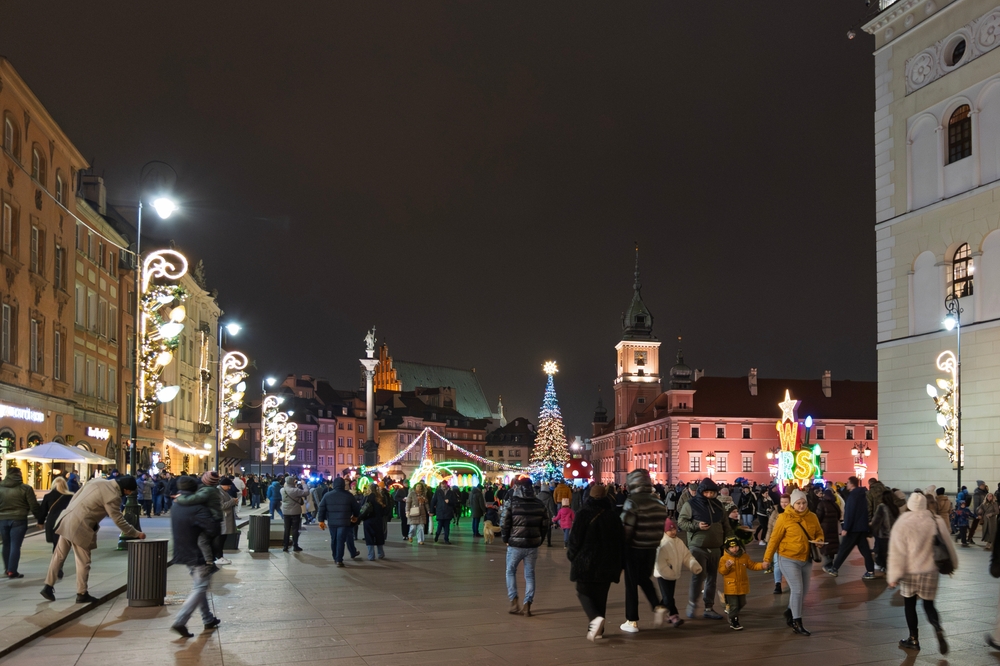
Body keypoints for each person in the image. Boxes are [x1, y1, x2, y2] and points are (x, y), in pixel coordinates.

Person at [40, 476, 146, 603]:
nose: (130, 494)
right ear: (125, 489)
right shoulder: (113, 496)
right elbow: (118, 519)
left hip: (67, 518)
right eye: (130, 491)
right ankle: (82, 593)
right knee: (83, 561)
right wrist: (135, 533)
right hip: (81, 525)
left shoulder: (97, 481)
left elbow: (76, 495)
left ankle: (48, 586)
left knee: (59, 555)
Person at [888, 491, 956, 654]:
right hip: (930, 571)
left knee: (909, 604)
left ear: (910, 505)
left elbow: (897, 551)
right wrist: (952, 564)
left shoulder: (903, 522)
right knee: (928, 604)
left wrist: (893, 576)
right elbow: (947, 544)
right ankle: (937, 627)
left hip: (910, 571)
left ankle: (913, 639)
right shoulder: (935, 520)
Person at [567, 483, 624, 642]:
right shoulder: (612, 515)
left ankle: (595, 619)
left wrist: (572, 556)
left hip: (586, 561)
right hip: (608, 563)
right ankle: (598, 631)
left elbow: (575, 539)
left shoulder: (583, 513)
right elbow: (620, 541)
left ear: (590, 496)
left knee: (583, 591)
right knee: (601, 596)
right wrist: (619, 563)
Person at [763, 488, 823, 636]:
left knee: (804, 591)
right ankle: (797, 622)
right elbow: (774, 539)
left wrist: (820, 540)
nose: (801, 506)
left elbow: (819, 532)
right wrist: (767, 559)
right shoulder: (784, 518)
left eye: (803, 503)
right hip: (788, 558)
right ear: (792, 504)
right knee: (797, 589)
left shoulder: (812, 517)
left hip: (806, 558)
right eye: (798, 503)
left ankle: (790, 611)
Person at [169, 475, 222, 638]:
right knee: (200, 586)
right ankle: (180, 620)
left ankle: (207, 618)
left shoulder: (175, 504)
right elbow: (212, 529)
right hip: (198, 552)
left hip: (182, 549)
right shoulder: (198, 508)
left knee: (201, 585)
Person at [618, 469, 670, 633]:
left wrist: (621, 547)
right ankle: (657, 605)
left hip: (634, 548)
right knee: (644, 578)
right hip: (651, 547)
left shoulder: (632, 502)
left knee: (631, 584)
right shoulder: (659, 503)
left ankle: (632, 620)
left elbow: (626, 528)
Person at [677, 477, 733, 619]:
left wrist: (730, 541)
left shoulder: (718, 506)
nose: (709, 495)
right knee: (698, 576)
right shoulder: (691, 505)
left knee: (712, 578)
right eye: (707, 493)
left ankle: (708, 607)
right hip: (698, 546)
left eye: (712, 493)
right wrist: (697, 526)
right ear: (702, 492)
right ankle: (692, 603)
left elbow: (726, 525)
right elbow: (681, 522)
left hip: (715, 547)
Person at [501, 477, 550, 617]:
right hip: (532, 544)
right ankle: (527, 603)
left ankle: (513, 599)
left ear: (518, 488)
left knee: (510, 571)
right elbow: (545, 524)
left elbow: (504, 522)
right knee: (529, 574)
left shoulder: (512, 503)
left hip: (515, 544)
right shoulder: (539, 504)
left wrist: (506, 538)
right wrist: (540, 539)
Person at [823, 476, 876, 581]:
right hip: (861, 527)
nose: (846, 484)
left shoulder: (853, 496)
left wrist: (846, 527)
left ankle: (834, 568)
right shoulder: (863, 495)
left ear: (851, 484)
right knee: (865, 550)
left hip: (853, 528)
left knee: (844, 549)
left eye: (847, 483)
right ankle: (870, 571)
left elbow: (850, 513)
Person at [654, 518, 702, 628]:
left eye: (674, 529)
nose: (673, 532)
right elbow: (659, 562)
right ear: (665, 531)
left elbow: (686, 556)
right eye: (670, 530)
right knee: (668, 596)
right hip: (663, 574)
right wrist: (667, 571)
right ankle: (673, 615)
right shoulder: (662, 543)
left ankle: (659, 609)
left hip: (673, 573)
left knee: (668, 595)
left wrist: (694, 565)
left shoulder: (678, 542)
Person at [173, 472, 226, 570]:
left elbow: (194, 499)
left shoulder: (207, 491)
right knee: (207, 541)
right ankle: (210, 559)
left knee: (202, 541)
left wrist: (180, 498)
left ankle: (208, 560)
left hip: (212, 518)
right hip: (215, 517)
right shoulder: (212, 490)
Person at [718, 534, 768, 631]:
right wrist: (727, 566)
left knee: (742, 603)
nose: (735, 549)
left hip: (742, 586)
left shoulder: (744, 557)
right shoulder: (724, 559)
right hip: (731, 587)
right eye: (732, 547)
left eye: (736, 546)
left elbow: (752, 565)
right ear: (727, 548)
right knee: (735, 605)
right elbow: (721, 571)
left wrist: (762, 566)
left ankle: (728, 607)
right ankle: (734, 620)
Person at [0, 467, 43, 578]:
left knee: (6, 544)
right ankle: (12, 570)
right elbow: (34, 505)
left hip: (2, 519)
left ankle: (7, 569)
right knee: (15, 545)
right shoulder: (26, 488)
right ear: (19, 474)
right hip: (19, 519)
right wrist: (40, 519)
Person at [317, 477, 360, 567]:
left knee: (334, 539)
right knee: (341, 540)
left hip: (332, 522)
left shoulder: (327, 495)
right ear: (343, 485)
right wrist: (355, 516)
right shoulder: (349, 496)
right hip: (344, 522)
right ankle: (339, 559)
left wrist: (321, 520)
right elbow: (356, 508)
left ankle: (335, 556)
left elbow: (321, 508)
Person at [38, 476, 75, 579]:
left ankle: (57, 566)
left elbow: (43, 511)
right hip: (65, 521)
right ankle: (59, 565)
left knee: (56, 545)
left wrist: (40, 522)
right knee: (64, 544)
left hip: (52, 522)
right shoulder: (71, 496)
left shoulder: (48, 496)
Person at [870, 489, 900, 572]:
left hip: (883, 534)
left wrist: (872, 529)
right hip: (893, 534)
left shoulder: (882, 507)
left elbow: (877, 520)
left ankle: (882, 565)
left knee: (882, 551)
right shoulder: (895, 507)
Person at [280, 475, 309, 552]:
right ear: (293, 482)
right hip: (295, 512)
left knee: (286, 529)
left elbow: (286, 487)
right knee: (295, 529)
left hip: (286, 512)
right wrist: (304, 484)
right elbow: (306, 492)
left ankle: (285, 546)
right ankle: (295, 545)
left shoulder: (282, 490)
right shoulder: (296, 490)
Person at [814, 489, 841, 569]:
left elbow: (818, 517)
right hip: (834, 528)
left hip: (824, 529)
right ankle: (830, 563)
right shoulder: (835, 505)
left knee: (825, 546)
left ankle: (827, 564)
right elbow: (839, 516)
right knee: (832, 545)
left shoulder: (821, 504)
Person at [361, 484, 387, 560]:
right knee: (379, 536)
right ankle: (380, 553)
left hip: (368, 520)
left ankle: (371, 555)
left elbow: (362, 508)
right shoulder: (381, 498)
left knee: (369, 537)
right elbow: (385, 510)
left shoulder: (367, 497)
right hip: (378, 520)